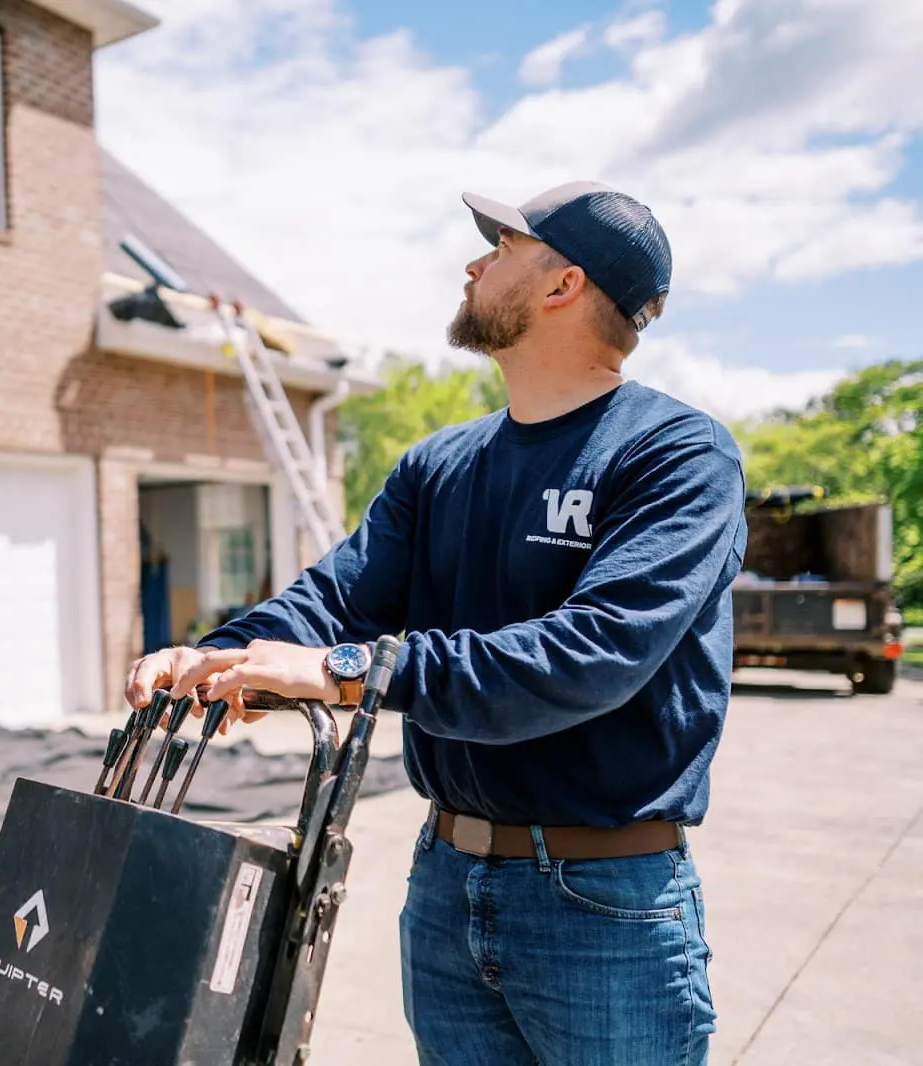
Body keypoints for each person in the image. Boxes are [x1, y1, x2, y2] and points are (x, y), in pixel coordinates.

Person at [125, 181, 745, 1064]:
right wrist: (220, 656)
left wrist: (350, 673)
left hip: (605, 903)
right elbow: (338, 594)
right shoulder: (440, 464)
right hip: (447, 885)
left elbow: (590, 656)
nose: (475, 263)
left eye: (501, 249)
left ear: (563, 284)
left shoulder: (674, 456)